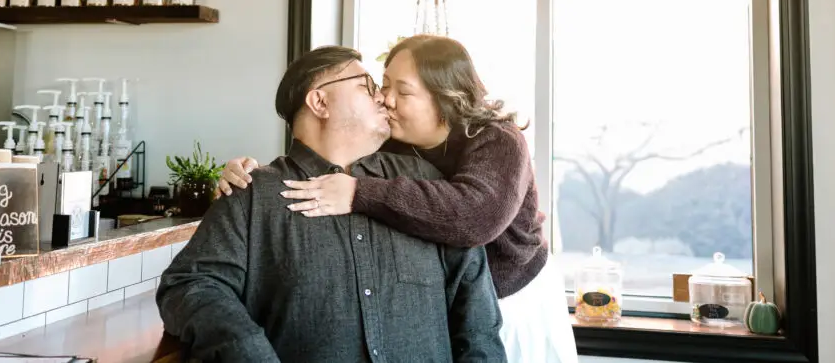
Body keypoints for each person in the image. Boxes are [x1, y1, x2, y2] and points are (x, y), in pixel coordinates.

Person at [217, 35, 578, 363]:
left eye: (402, 92)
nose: (384, 99)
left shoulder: (498, 139)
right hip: (460, 300)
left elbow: (475, 216)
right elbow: (327, 148)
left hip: (517, 295)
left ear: (444, 96)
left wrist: (358, 192)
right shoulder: (395, 147)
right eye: (383, 85)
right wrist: (252, 172)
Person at [157, 45, 507, 363]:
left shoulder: (427, 183)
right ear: (320, 102)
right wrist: (249, 353)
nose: (383, 98)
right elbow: (189, 285)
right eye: (367, 85)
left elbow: (477, 320)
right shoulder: (252, 194)